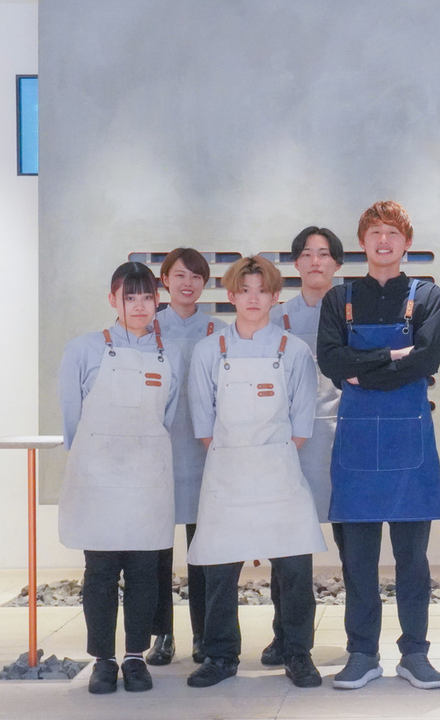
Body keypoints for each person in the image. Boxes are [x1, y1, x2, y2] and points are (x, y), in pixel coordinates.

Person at [316, 201, 440, 690]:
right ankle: (362, 653)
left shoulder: (427, 295)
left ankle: (415, 653)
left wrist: (362, 368)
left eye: (393, 232)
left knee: (413, 561)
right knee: (358, 562)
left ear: (407, 242)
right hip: (355, 448)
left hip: (409, 445)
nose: (384, 240)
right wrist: (394, 354)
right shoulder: (340, 298)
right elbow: (331, 361)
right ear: (362, 242)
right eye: (375, 232)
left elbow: (426, 360)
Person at [184, 255, 327, 689]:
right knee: (220, 568)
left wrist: (266, 456)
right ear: (230, 295)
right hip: (227, 473)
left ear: (275, 296)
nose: (252, 299)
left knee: (295, 566)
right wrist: (239, 456)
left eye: (261, 291)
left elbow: (301, 425)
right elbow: (203, 424)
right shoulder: (208, 350)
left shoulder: (294, 350)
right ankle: (220, 655)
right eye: (244, 290)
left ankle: (296, 651)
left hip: (279, 473)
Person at [58, 262, 179, 695]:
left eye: (147, 297)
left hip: (147, 478)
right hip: (98, 479)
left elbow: (167, 415)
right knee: (101, 571)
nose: (139, 306)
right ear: (113, 300)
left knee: (146, 571)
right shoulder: (83, 349)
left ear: (157, 301)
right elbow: (71, 417)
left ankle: (134, 657)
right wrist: (94, 459)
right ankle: (104, 660)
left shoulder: (168, 354)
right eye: (130, 297)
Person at [260, 226, 344, 667]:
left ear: (337, 264)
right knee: (288, 546)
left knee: (354, 543)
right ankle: (287, 637)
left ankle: (361, 640)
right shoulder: (276, 317)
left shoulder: (352, 310)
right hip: (289, 442)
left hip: (343, 438)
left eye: (324, 254)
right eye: (308, 254)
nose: (316, 261)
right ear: (296, 263)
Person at [148, 248, 216, 666]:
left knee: (203, 549)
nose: (187, 283)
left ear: (204, 283)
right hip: (160, 452)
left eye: (195, 276)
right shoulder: (149, 328)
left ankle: (204, 635)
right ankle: (162, 634)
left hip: (206, 452)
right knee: (157, 549)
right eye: (179, 275)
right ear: (165, 281)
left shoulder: (219, 329)